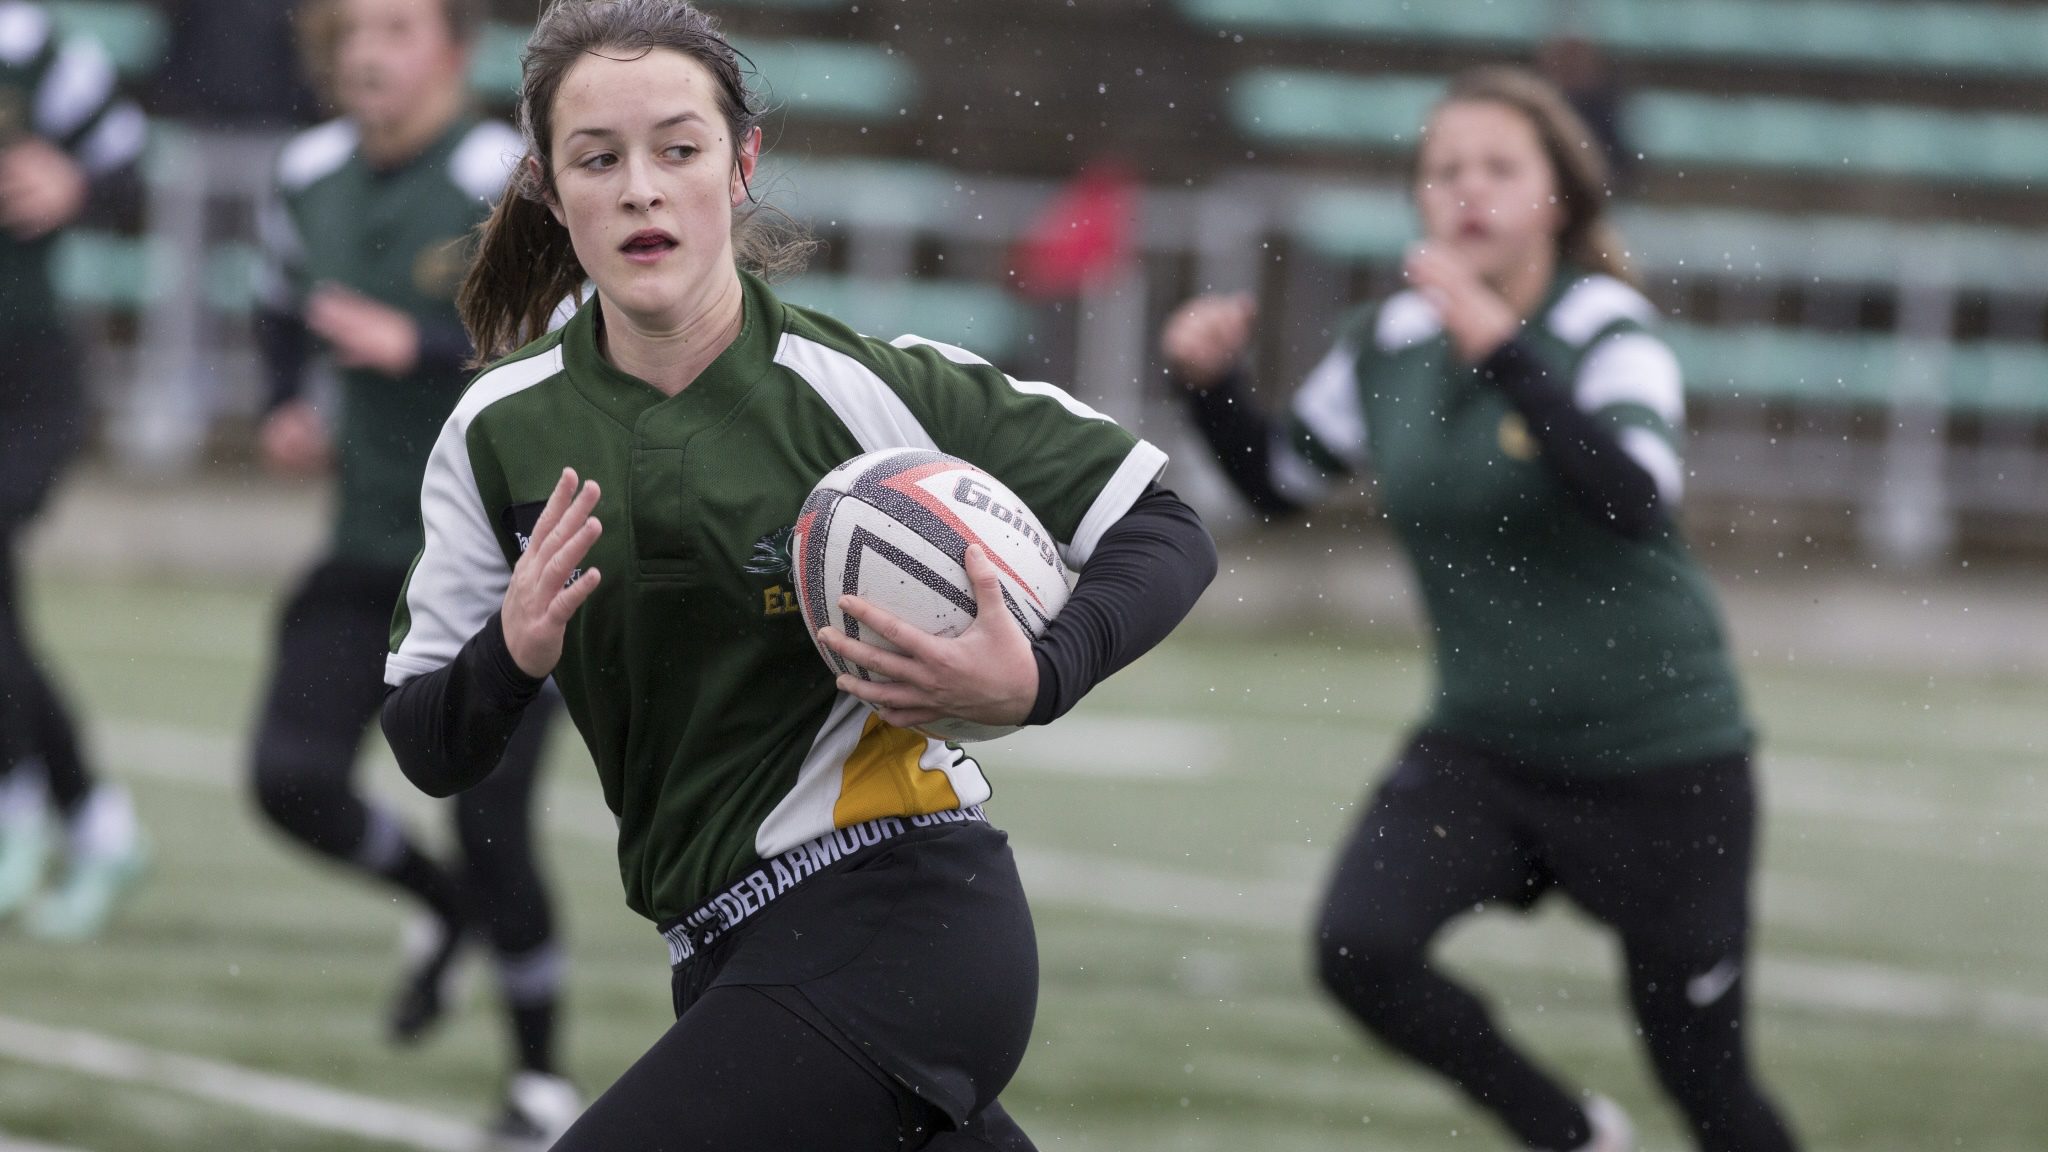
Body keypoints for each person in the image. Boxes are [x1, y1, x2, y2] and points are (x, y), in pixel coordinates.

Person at [378, 2, 1216, 1147]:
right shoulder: (495, 432)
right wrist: (510, 656)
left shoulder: (870, 390)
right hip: (722, 952)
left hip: (906, 920)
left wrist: (1039, 677)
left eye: (679, 148)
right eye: (597, 158)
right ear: (542, 183)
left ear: (741, 164)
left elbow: (1163, 523)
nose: (640, 188)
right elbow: (428, 746)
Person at [1162, 67, 1799, 1152]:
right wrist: (1209, 385)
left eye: (1498, 168)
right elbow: (1272, 485)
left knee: (1704, 1083)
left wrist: (1502, 350)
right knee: (1358, 949)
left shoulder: (1604, 326)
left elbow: (1632, 497)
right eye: (1442, 169)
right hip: (1488, 750)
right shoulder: (1387, 338)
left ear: (1556, 198)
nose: (1467, 190)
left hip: (1662, 763)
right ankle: (1569, 1135)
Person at [245, 0, 577, 1142]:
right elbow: (279, 299)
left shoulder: (505, 181)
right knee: (288, 779)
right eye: (353, 31)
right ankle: (438, 911)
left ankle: (539, 1077)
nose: (370, 52)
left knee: (492, 828)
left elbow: (570, 352)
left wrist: (425, 349)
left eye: (397, 27)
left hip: (502, 573)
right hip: (367, 553)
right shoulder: (306, 171)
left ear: (452, 52)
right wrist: (286, 401)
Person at [0, 0, 152, 941]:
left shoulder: (28, 43)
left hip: (22, 376)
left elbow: (130, 172)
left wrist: (73, 185)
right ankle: (93, 820)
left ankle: (33, 811)